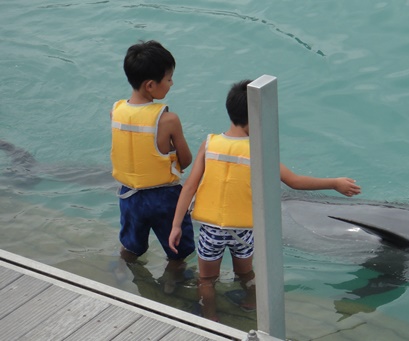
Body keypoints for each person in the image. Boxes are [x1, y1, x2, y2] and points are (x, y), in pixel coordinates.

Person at [169, 79, 361, 321]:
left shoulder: (209, 144)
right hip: (243, 231)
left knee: (207, 280)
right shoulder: (259, 150)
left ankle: (210, 316)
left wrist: (176, 225)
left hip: (212, 230)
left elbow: (189, 187)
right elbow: (294, 181)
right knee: (246, 273)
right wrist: (334, 183)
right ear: (256, 118)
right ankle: (251, 303)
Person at [110, 40, 194, 291]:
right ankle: (171, 285)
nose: (171, 83)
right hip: (163, 198)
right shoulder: (167, 119)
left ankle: (121, 274)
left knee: (131, 246)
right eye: (168, 79)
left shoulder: (116, 110)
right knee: (178, 250)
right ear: (151, 85)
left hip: (128, 195)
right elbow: (186, 160)